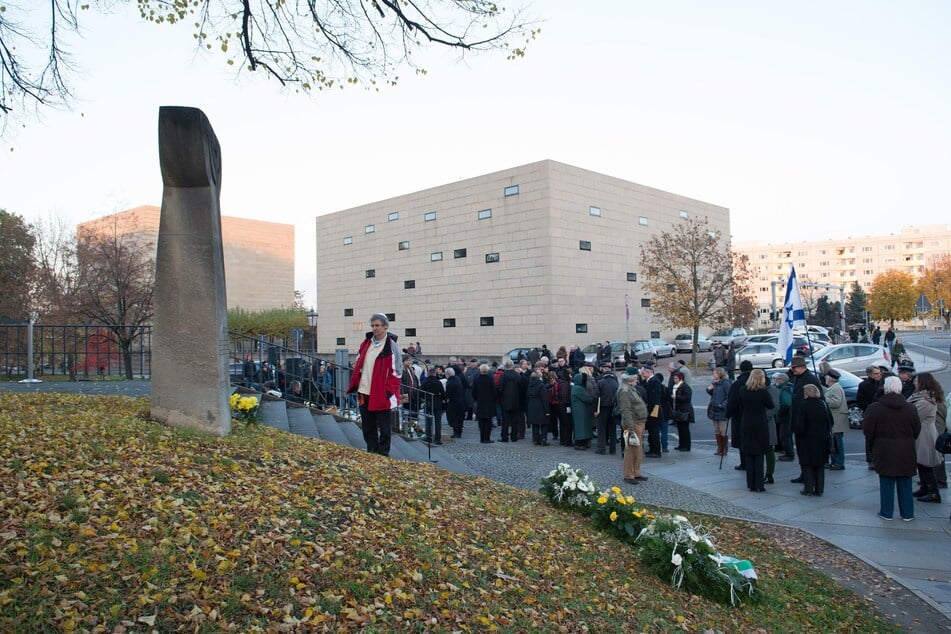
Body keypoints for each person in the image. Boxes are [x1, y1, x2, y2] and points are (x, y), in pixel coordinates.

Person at [864, 376, 921, 521]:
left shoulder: (875, 408)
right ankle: (907, 513)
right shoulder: (911, 408)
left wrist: (872, 445)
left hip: (884, 449)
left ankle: (886, 512)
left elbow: (868, 431)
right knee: (905, 483)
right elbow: (916, 429)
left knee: (886, 482)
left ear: (886, 388)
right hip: (906, 449)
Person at [346, 313, 403, 457]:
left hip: (381, 392)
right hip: (364, 391)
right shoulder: (366, 343)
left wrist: (389, 391)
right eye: (372, 326)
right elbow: (358, 364)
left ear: (385, 327)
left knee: (384, 428)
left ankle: (383, 454)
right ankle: (372, 451)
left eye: (377, 325)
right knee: (368, 426)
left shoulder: (391, 346)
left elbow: (397, 372)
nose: (374, 328)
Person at [909, 372, 943, 504]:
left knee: (925, 464)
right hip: (922, 433)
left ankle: (934, 493)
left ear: (923, 382)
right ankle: (924, 488)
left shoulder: (925, 400)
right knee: (921, 463)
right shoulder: (922, 397)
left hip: (925, 435)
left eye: (917, 381)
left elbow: (915, 418)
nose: (914, 382)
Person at [788, 356, 823, 485]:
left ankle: (809, 476)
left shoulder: (809, 378)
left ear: (801, 367)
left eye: (794, 368)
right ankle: (804, 474)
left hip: (807, 421)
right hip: (799, 418)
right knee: (801, 450)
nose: (792, 370)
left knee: (807, 451)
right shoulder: (799, 377)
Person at [739, 369, 774, 492]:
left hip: (747, 422)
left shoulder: (743, 390)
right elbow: (771, 405)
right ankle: (759, 483)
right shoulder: (763, 393)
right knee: (759, 455)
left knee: (749, 454)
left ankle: (751, 484)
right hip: (759, 423)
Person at [794, 384, 831, 496]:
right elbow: (831, 421)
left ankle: (808, 488)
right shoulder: (823, 404)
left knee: (807, 464)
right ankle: (819, 489)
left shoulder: (803, 405)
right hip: (822, 438)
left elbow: (800, 425)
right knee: (819, 465)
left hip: (807, 438)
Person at [617, 372, 649, 484]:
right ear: (630, 379)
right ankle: (629, 475)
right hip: (633, 423)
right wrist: (630, 427)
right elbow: (626, 410)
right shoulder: (625, 391)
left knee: (637, 449)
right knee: (631, 450)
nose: (637, 380)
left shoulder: (630, 388)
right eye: (636, 378)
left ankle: (636, 472)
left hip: (638, 422)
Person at [726, 360, 754, 471]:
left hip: (740, 415)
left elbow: (731, 401)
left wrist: (728, 413)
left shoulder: (738, 384)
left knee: (742, 440)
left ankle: (744, 463)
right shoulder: (756, 381)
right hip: (755, 415)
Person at [824, 369, 850, 471]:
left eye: (826, 377)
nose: (825, 379)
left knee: (837, 442)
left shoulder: (836, 389)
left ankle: (839, 463)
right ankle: (834, 462)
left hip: (837, 419)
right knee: (833, 442)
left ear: (830, 378)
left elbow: (836, 403)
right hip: (835, 418)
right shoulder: (833, 388)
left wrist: (824, 399)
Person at [707, 367, 731, 457]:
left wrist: (722, 404)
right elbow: (710, 393)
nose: (714, 375)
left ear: (720, 374)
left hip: (722, 410)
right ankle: (719, 447)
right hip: (714, 409)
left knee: (723, 430)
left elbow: (729, 396)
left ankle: (724, 448)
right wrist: (710, 387)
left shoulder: (725, 384)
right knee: (716, 430)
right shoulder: (715, 383)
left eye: (715, 373)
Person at [595, 363, 619, 454]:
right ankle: (613, 449)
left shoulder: (601, 382)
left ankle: (601, 448)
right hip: (613, 408)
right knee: (612, 429)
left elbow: (596, 396)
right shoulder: (615, 382)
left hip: (603, 407)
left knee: (602, 429)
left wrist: (595, 409)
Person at [640, 366, 664, 457]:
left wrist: (652, 411)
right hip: (651, 409)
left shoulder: (654, 382)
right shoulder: (649, 381)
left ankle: (656, 451)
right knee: (651, 431)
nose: (642, 374)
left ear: (648, 372)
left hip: (654, 410)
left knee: (654, 432)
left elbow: (655, 399)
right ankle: (652, 449)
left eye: (643, 372)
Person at [471, 363, 497, 443]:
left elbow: (473, 392)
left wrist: (477, 398)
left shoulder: (476, 379)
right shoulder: (490, 379)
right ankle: (487, 438)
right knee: (488, 422)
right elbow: (494, 391)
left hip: (480, 402)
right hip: (489, 403)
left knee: (481, 421)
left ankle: (482, 438)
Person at [497, 359, 522, 443]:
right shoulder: (517, 375)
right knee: (515, 421)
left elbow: (500, 389)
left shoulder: (503, 376)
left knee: (505, 421)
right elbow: (521, 389)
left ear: (505, 366)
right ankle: (514, 437)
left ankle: (504, 437)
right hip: (516, 401)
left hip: (505, 401)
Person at [420, 365, 446, 444]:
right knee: (438, 422)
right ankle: (438, 439)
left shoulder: (425, 382)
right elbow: (443, 394)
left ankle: (429, 438)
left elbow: (421, 393)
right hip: (437, 403)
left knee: (428, 421)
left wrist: (425, 398)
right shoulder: (438, 382)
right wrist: (442, 400)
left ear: (428, 374)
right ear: (435, 374)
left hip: (428, 403)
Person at [570, 371, 594, 450]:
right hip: (580, 411)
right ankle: (580, 443)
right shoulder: (578, 388)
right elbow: (586, 398)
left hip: (579, 410)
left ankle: (581, 443)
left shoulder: (576, 387)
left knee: (580, 427)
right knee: (581, 427)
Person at [526, 370, 551, 445]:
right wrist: (547, 411)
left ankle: (535, 438)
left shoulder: (530, 385)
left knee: (535, 424)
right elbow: (544, 399)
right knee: (544, 423)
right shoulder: (541, 385)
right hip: (540, 406)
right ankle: (543, 439)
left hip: (531, 405)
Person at [670, 371, 693, 451]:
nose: (674, 380)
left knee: (685, 429)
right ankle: (681, 444)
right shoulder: (675, 386)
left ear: (680, 379)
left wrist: (676, 397)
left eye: (676, 378)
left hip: (685, 410)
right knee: (680, 428)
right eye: (674, 378)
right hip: (678, 410)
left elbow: (687, 398)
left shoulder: (685, 387)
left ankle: (686, 446)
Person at [774, 374, 795, 462]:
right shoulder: (788, 387)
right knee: (787, 435)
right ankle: (789, 452)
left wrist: (780, 414)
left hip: (786, 416)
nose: (776, 381)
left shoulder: (785, 389)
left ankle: (789, 454)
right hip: (789, 415)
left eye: (778, 379)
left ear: (782, 380)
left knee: (785, 435)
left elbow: (786, 403)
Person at [443, 367, 466, 439]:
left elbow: (448, 394)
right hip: (461, 402)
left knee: (454, 418)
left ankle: (456, 433)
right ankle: (458, 432)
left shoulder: (450, 382)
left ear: (447, 374)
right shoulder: (457, 379)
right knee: (459, 419)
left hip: (454, 403)